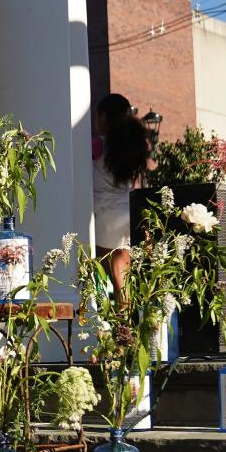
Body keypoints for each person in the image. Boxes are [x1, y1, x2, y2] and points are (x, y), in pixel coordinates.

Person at [92, 93, 150, 301]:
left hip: (104, 215)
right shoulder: (130, 145)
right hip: (127, 213)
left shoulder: (97, 146)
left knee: (99, 273)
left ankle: (111, 322)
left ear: (104, 117)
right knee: (122, 276)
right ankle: (126, 321)